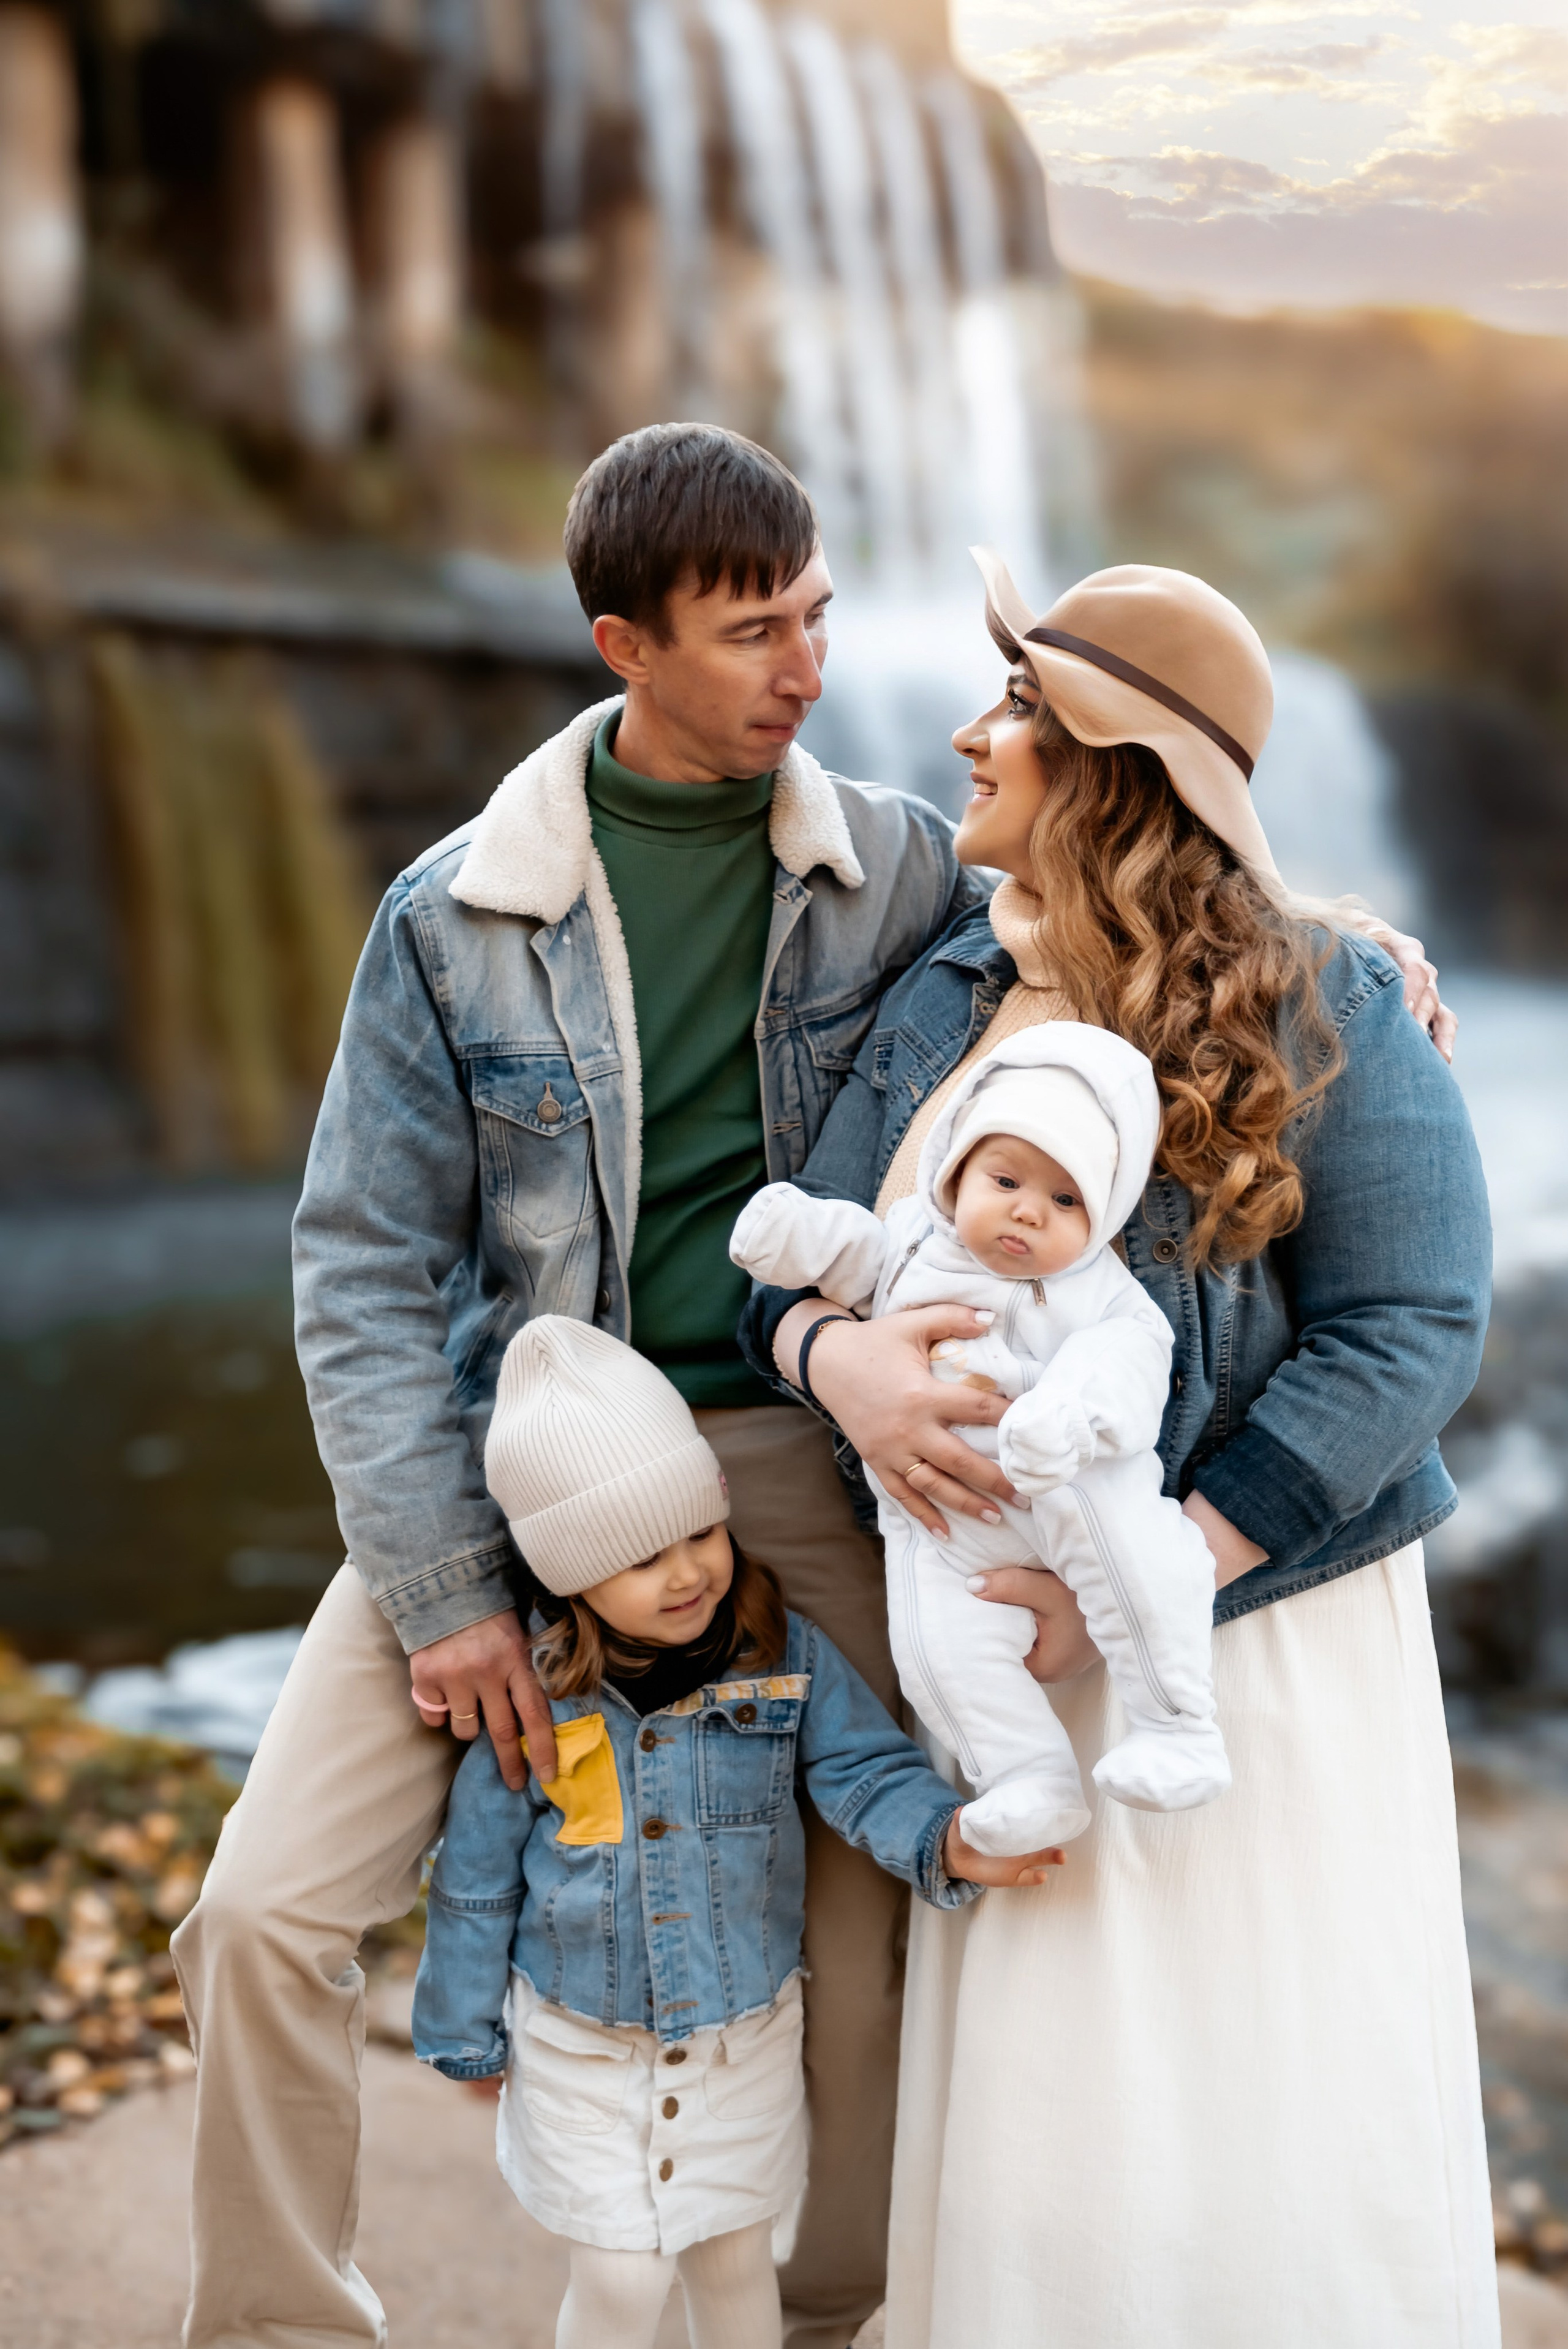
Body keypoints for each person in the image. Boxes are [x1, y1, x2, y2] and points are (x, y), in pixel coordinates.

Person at [170, 423, 990, 2349]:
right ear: (623, 644)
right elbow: (362, 1261)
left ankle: (813, 2322)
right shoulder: (454, 918)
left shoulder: (899, 875)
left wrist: (1345, 952)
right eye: (750, 632)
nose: (807, 669)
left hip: (796, 1450)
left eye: (817, 617)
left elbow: (1121, 933)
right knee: (265, 1913)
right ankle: (282, 2327)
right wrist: (449, 1583)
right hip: (521, 1463)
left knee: (865, 1934)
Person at [741, 554, 1496, 2347]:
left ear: (1108, 763)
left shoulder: (1335, 1000)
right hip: (1001, 1638)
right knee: (1054, 2104)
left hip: (1239, 1630)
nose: (960, 729)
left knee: (1247, 2074)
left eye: (1014, 706)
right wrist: (831, 1355)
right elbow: (799, 1251)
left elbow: (1415, 1327)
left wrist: (1164, 1564)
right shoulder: (940, 990)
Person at [410, 1316, 1054, 2349]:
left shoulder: (778, 1652)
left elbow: (860, 1766)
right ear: (570, 1575)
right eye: (640, 1559)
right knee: (621, 2281)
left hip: (737, 2037)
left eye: (699, 1535)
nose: (685, 1576)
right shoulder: (538, 1699)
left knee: (734, 2262)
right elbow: (478, 1877)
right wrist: (459, 2028)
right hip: (585, 2041)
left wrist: (948, 1841)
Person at [730, 1022, 1226, 1855]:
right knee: (935, 1646)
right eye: (1006, 1178)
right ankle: (1026, 1778)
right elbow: (845, 1251)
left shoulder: (1100, 1293)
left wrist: (1066, 1413)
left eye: (1067, 1201)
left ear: (1103, 1217)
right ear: (955, 1169)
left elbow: (1132, 1365)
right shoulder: (910, 1241)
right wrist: (790, 1235)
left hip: (1069, 1490)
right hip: (942, 1521)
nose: (1029, 1211)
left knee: (1147, 1564)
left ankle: (1178, 1727)